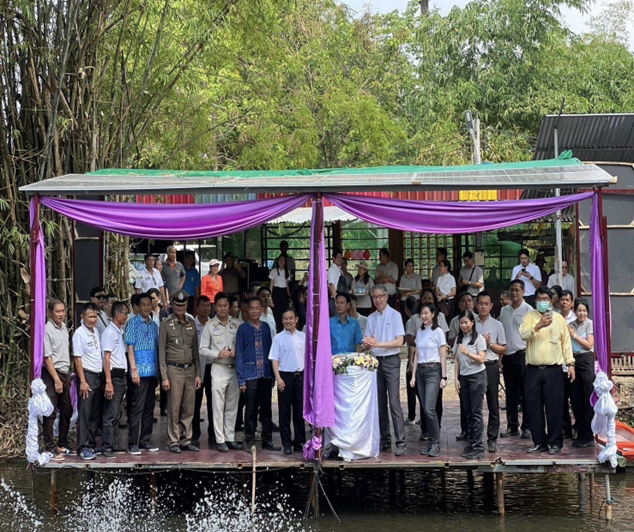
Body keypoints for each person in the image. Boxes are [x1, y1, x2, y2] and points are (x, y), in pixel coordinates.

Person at [520, 286, 575, 454]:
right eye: (539, 299)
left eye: (545, 299)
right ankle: (539, 442)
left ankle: (555, 442)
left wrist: (570, 364)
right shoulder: (529, 317)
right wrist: (538, 326)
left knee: (555, 407)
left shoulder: (559, 319)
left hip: (554, 370)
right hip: (533, 370)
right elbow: (523, 335)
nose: (542, 302)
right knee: (533, 406)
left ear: (551, 301)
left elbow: (566, 343)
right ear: (535, 301)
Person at [363, 285, 407, 456]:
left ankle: (401, 442)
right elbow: (368, 344)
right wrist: (367, 344)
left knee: (394, 402)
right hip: (376, 362)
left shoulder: (395, 315)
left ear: (387, 297)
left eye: (380, 296)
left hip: (392, 361)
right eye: (374, 297)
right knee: (380, 402)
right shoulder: (371, 318)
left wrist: (378, 344)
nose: (378, 300)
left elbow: (399, 342)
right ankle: (385, 439)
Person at [159, 290, 202, 453]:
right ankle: (173, 441)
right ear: (172, 305)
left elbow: (195, 351)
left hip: (190, 369)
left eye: (182, 305)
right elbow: (161, 352)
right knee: (174, 406)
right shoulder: (166, 324)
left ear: (186, 305)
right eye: (177, 305)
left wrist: (198, 373)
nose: (180, 308)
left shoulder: (191, 322)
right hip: (174, 369)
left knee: (189, 406)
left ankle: (186, 439)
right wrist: (164, 377)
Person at [236, 297, 280, 451]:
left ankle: (267, 439)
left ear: (262, 310)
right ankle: (249, 438)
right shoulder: (242, 329)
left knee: (266, 408)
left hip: (265, 373)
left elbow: (271, 351)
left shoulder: (266, 327)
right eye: (251, 308)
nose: (254, 311)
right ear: (247, 310)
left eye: (257, 308)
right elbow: (239, 354)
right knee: (251, 408)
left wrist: (273, 375)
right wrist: (241, 379)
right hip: (250, 374)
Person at [200, 292, 243, 452]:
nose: (223, 308)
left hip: (234, 368)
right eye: (220, 306)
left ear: (229, 307)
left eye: (225, 305)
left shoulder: (237, 324)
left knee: (232, 405)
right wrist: (216, 354)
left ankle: (230, 437)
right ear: (215, 307)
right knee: (218, 406)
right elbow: (202, 348)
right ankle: (220, 439)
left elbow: (243, 345)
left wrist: (237, 352)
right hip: (218, 367)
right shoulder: (210, 325)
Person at [405, 290, 448, 433]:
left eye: (426, 313)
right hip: (421, 370)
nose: (423, 316)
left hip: (434, 370)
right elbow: (415, 351)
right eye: (422, 313)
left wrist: (444, 376)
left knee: (431, 406)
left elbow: (443, 354)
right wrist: (413, 374)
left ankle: (435, 436)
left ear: (433, 314)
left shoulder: (439, 329)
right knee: (425, 405)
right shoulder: (419, 329)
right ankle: (427, 433)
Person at [125, 293, 160, 455]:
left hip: (152, 372)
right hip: (138, 373)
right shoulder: (132, 323)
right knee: (136, 408)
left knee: (149, 408)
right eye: (143, 304)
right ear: (137, 307)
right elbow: (130, 348)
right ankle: (133, 443)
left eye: (149, 304)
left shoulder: (154, 325)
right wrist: (134, 370)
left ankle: (145, 440)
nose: (147, 307)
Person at [499, 280, 532, 440]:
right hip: (507, 355)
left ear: (523, 292)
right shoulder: (504, 310)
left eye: (517, 290)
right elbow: (501, 334)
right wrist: (500, 357)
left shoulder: (529, 310)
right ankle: (512, 426)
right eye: (512, 290)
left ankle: (527, 427)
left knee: (525, 393)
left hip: (522, 355)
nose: (514, 293)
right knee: (510, 393)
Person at [270, 308, 306, 454]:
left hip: (300, 377)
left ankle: (300, 441)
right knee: (284, 412)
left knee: (299, 411)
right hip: (285, 377)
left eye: (291, 318)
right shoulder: (278, 338)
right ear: (282, 321)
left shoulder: (303, 336)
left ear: (296, 320)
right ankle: (286, 443)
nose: (288, 321)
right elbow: (274, 359)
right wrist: (278, 378)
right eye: (285, 319)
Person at [475, 292, 507, 453]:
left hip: (491, 365)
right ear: (476, 305)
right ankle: (475, 438)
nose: (483, 307)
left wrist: (490, 344)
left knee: (493, 403)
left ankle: (492, 438)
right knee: (475, 404)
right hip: (475, 366)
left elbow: (504, 349)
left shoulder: (497, 325)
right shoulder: (471, 323)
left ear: (491, 306)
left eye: (486, 304)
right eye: (481, 303)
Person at [454, 310, 488, 459]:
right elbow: (456, 359)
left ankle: (478, 447)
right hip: (464, 377)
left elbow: (481, 359)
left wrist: (468, 352)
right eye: (461, 323)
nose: (464, 325)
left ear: (472, 323)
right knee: (467, 412)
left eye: (466, 322)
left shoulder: (479, 338)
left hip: (477, 377)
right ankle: (471, 442)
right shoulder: (459, 338)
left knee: (476, 413)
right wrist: (456, 378)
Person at [42, 299, 73, 460]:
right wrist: (56, 379)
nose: (61, 314)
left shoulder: (64, 328)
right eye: (58, 311)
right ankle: (49, 446)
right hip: (51, 373)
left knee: (67, 410)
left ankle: (62, 443)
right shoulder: (47, 330)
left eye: (63, 311)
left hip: (64, 373)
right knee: (50, 411)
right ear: (50, 313)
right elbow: (47, 357)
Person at [73, 302, 103, 460]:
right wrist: (83, 381)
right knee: (85, 412)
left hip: (98, 375)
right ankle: (82, 447)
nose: (93, 320)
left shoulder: (95, 331)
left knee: (95, 412)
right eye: (90, 317)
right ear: (82, 317)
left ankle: (91, 443)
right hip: (87, 375)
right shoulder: (79, 334)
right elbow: (78, 359)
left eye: (95, 316)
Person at [101, 301, 129, 457]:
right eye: (125, 313)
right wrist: (108, 381)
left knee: (117, 413)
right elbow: (107, 358)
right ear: (117, 313)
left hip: (121, 375)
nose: (126, 316)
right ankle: (106, 446)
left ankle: (114, 443)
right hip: (113, 375)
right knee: (110, 413)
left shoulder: (120, 331)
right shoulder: (109, 333)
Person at [569, 298, 595, 448]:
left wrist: (574, 335)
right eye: (579, 310)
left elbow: (589, 344)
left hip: (586, 360)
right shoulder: (571, 325)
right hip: (574, 360)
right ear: (574, 311)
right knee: (576, 398)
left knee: (587, 397)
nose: (582, 313)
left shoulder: (589, 323)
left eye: (584, 311)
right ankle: (579, 431)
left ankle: (588, 434)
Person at [192, 295, 214, 447]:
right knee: (195, 403)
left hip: (212, 368)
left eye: (208, 306)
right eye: (203, 306)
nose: (206, 309)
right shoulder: (192, 325)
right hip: (197, 369)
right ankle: (194, 435)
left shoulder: (214, 324)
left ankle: (213, 435)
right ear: (197, 308)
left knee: (213, 403)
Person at [559, 289, 577, 438]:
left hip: (572, 364)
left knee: (575, 398)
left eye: (567, 300)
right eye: (562, 300)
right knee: (561, 399)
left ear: (572, 303)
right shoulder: (555, 318)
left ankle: (577, 426)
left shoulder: (576, 319)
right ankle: (565, 428)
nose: (564, 302)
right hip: (559, 364)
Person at [269, 254, 291, 332]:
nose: (281, 262)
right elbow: (271, 285)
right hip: (276, 292)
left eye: (283, 261)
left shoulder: (287, 271)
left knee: (284, 312)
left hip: (284, 293)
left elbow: (287, 285)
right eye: (280, 260)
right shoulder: (274, 271)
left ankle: (285, 329)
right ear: (277, 261)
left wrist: (289, 295)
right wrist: (270, 297)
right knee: (276, 312)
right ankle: (277, 330)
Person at [398, 259, 422, 324]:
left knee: (415, 319)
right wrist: (405, 293)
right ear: (405, 267)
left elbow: (419, 290)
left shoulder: (417, 277)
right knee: (404, 319)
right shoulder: (403, 277)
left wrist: (411, 293)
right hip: (404, 300)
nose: (410, 268)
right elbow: (400, 290)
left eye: (411, 266)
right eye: (408, 266)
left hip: (414, 300)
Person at [327, 251, 344, 315]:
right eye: (338, 257)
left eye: (341, 258)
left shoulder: (340, 270)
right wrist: (336, 301)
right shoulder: (332, 269)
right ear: (333, 258)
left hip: (341, 297)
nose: (340, 259)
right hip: (335, 298)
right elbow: (332, 285)